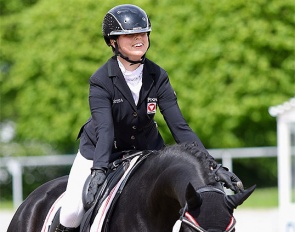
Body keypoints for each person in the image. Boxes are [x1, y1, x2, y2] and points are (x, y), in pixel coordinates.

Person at [50, 4, 242, 232]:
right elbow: (105, 130)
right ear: (113, 42)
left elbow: (179, 126)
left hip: (146, 149)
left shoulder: (158, 75)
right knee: (72, 212)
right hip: (101, 151)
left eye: (142, 33)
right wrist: (99, 170)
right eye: (130, 35)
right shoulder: (101, 80)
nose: (139, 39)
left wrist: (212, 166)